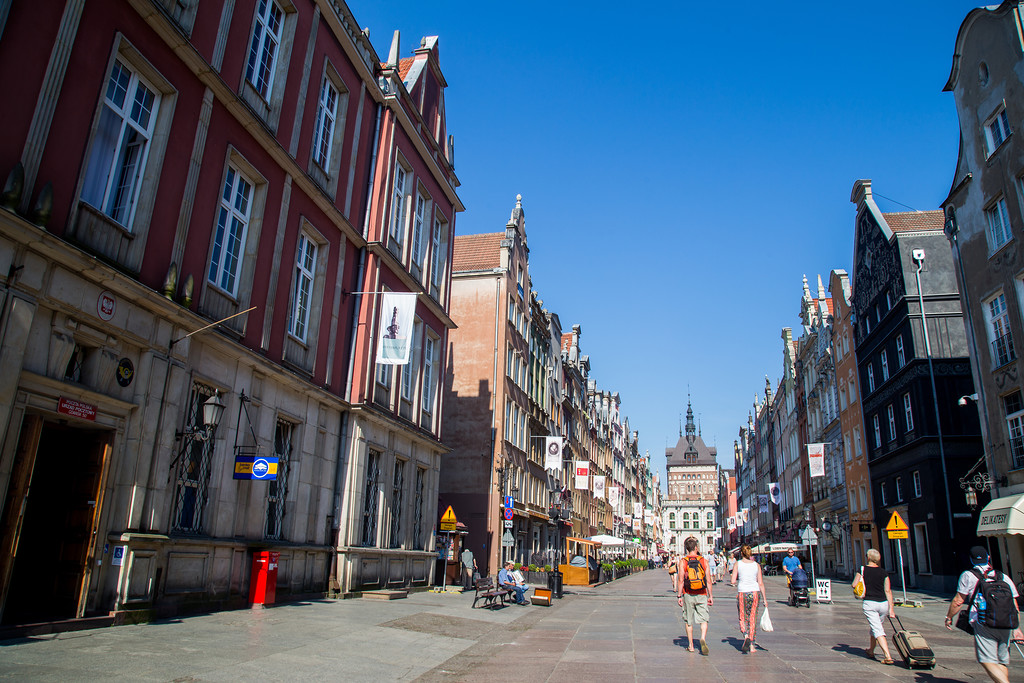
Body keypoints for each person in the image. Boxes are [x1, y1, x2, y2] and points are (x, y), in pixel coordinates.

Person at [944, 545, 1023, 683]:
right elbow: (1014, 604)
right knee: (1001, 661)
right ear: (988, 557)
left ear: (971, 559)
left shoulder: (968, 575)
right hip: (1006, 622)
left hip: (983, 622)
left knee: (986, 659)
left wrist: (949, 617)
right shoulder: (1003, 576)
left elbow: (958, 601)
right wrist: (1017, 628)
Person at [852, 548, 895, 665]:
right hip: (883, 604)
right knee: (875, 626)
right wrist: (891, 609)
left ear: (868, 558)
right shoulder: (883, 572)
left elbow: (854, 584)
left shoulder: (862, 570)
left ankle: (887, 655)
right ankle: (871, 650)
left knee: (877, 629)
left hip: (870, 603)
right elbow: (888, 590)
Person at [677, 537, 713, 654]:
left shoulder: (683, 561)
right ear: (696, 548)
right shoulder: (703, 561)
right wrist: (710, 595)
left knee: (689, 620)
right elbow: (708, 580)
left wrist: (679, 595)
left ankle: (691, 645)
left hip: (688, 593)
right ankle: (702, 638)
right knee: (704, 619)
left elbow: (681, 580)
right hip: (702, 593)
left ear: (687, 549)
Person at [731, 544, 767, 654]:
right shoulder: (756, 565)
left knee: (742, 616)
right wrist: (765, 599)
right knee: (752, 618)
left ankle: (746, 635)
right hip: (755, 592)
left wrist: (738, 578)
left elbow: (732, 581)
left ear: (741, 553)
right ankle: (752, 645)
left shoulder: (738, 564)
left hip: (743, 592)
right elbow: (760, 583)